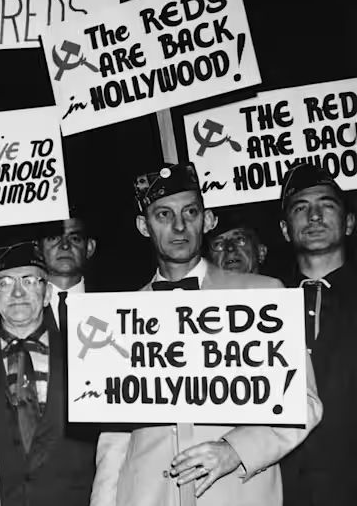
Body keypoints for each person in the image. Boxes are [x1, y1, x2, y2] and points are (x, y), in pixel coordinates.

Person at [91, 163, 323, 506]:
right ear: (143, 225)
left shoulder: (261, 295)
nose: (179, 226)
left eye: (191, 212)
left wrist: (235, 450)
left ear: (208, 220)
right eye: (163, 215)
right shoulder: (120, 315)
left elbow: (305, 404)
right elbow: (113, 440)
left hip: (236, 493)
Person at [0, 242, 97, 505]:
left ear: (47, 294)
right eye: (6, 283)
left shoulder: (84, 353)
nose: (18, 292)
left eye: (30, 281)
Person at [275, 163, 357, 505]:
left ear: (349, 222)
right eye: (300, 208)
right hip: (283, 493)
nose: (314, 216)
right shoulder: (260, 307)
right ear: (284, 229)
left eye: (327, 205)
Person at [37, 213, 99, 330]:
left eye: (75, 239)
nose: (65, 246)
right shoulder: (20, 301)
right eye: (54, 238)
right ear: (38, 248)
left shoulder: (111, 302)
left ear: (89, 247)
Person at [206, 207, 268, 274]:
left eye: (239, 239)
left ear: (261, 252)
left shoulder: (276, 284)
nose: (230, 248)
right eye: (218, 244)